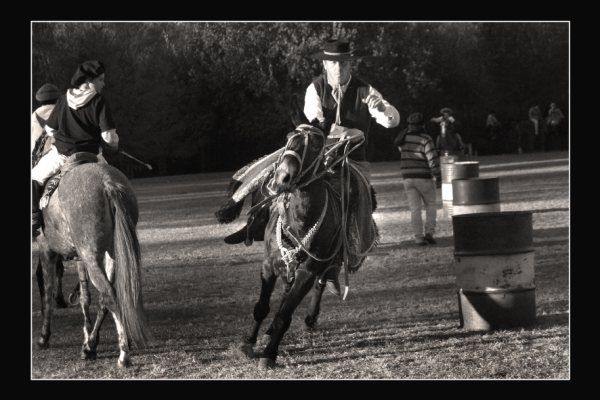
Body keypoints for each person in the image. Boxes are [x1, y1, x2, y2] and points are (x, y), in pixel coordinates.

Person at [224, 38, 400, 295]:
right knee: (277, 176)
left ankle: (345, 252)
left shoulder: (366, 91)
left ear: (351, 63)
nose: (338, 68)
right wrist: (347, 130)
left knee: (357, 194)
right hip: (320, 156)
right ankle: (256, 224)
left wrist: (383, 109)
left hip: (354, 161)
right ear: (326, 64)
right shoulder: (315, 88)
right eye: (333, 63)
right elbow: (316, 122)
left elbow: (391, 120)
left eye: (343, 63)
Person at [32, 60, 120, 237]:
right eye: (101, 80)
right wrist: (115, 145)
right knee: (115, 186)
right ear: (88, 81)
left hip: (62, 156)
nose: (104, 83)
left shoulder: (64, 99)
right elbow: (108, 137)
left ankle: (34, 217)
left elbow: (49, 129)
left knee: (34, 177)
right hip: (93, 157)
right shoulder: (99, 101)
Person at [394, 112, 441, 245]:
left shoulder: (403, 138)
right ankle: (429, 233)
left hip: (407, 178)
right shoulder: (426, 139)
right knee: (431, 205)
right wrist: (438, 176)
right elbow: (432, 159)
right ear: (422, 125)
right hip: (424, 177)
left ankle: (418, 238)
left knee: (415, 209)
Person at [32, 83, 60, 155]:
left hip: (37, 153)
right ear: (57, 98)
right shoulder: (62, 111)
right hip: (58, 150)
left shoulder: (34, 115)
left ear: (40, 100)